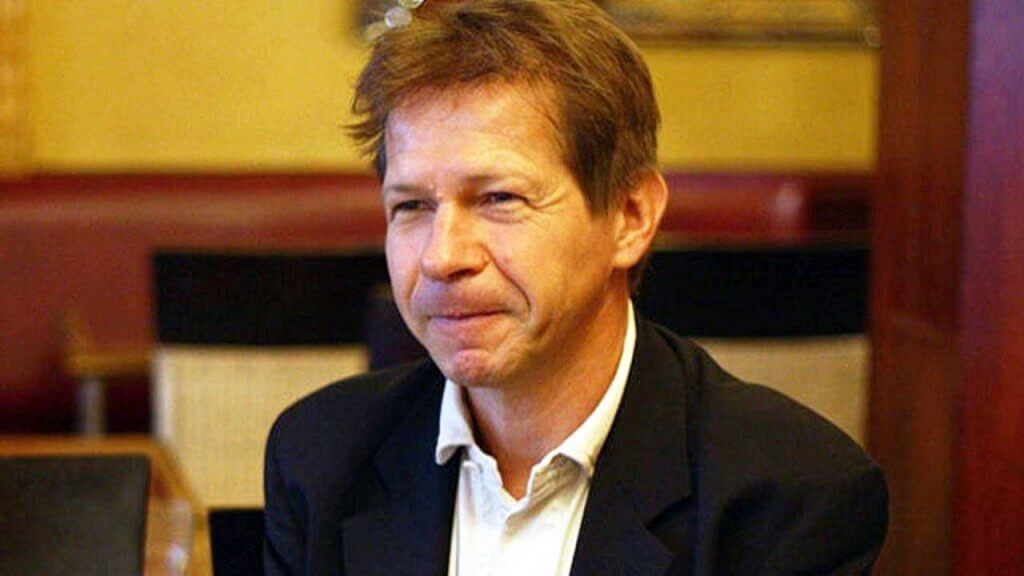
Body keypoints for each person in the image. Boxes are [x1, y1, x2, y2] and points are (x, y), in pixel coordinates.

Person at [263, 1, 888, 574]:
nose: (442, 256)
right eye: (410, 206)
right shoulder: (321, 459)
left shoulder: (788, 498)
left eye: (499, 198)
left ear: (630, 217)